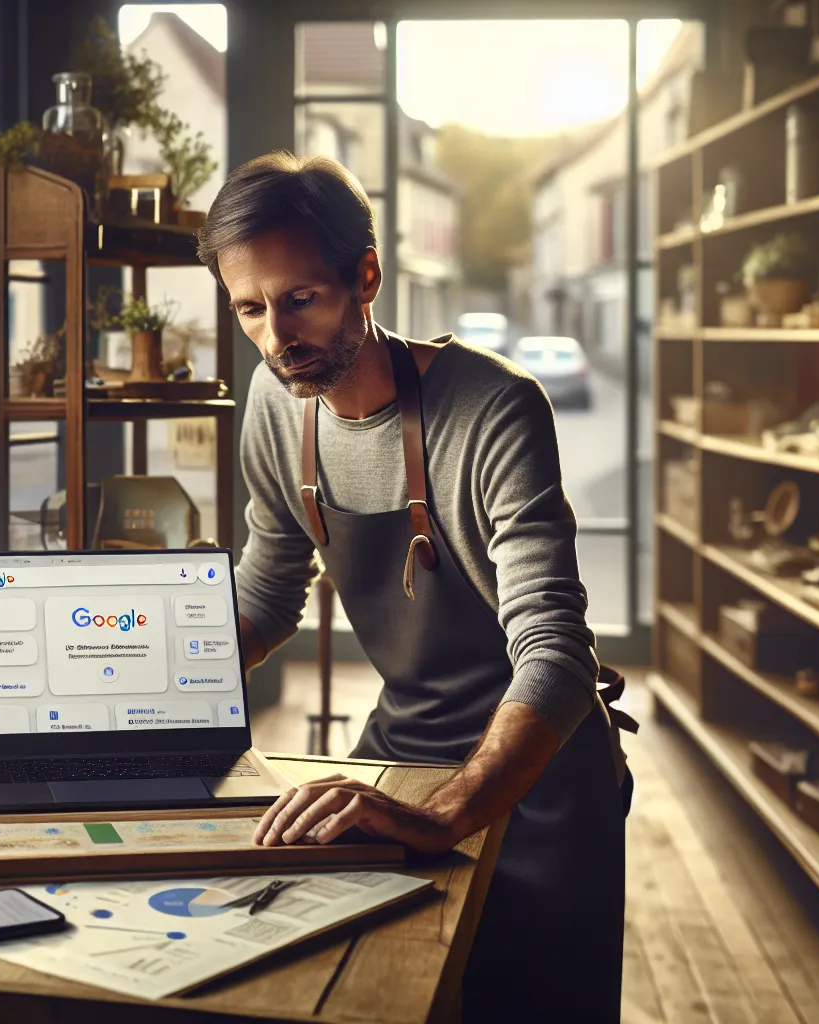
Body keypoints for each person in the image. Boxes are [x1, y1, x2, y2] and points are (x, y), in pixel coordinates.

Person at [199, 152, 631, 1021]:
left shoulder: (497, 407)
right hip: (398, 754)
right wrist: (152, 698)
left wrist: (445, 816)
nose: (277, 338)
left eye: (300, 299)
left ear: (365, 277)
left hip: (543, 782)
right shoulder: (276, 401)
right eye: (250, 309)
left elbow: (556, 652)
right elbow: (267, 594)